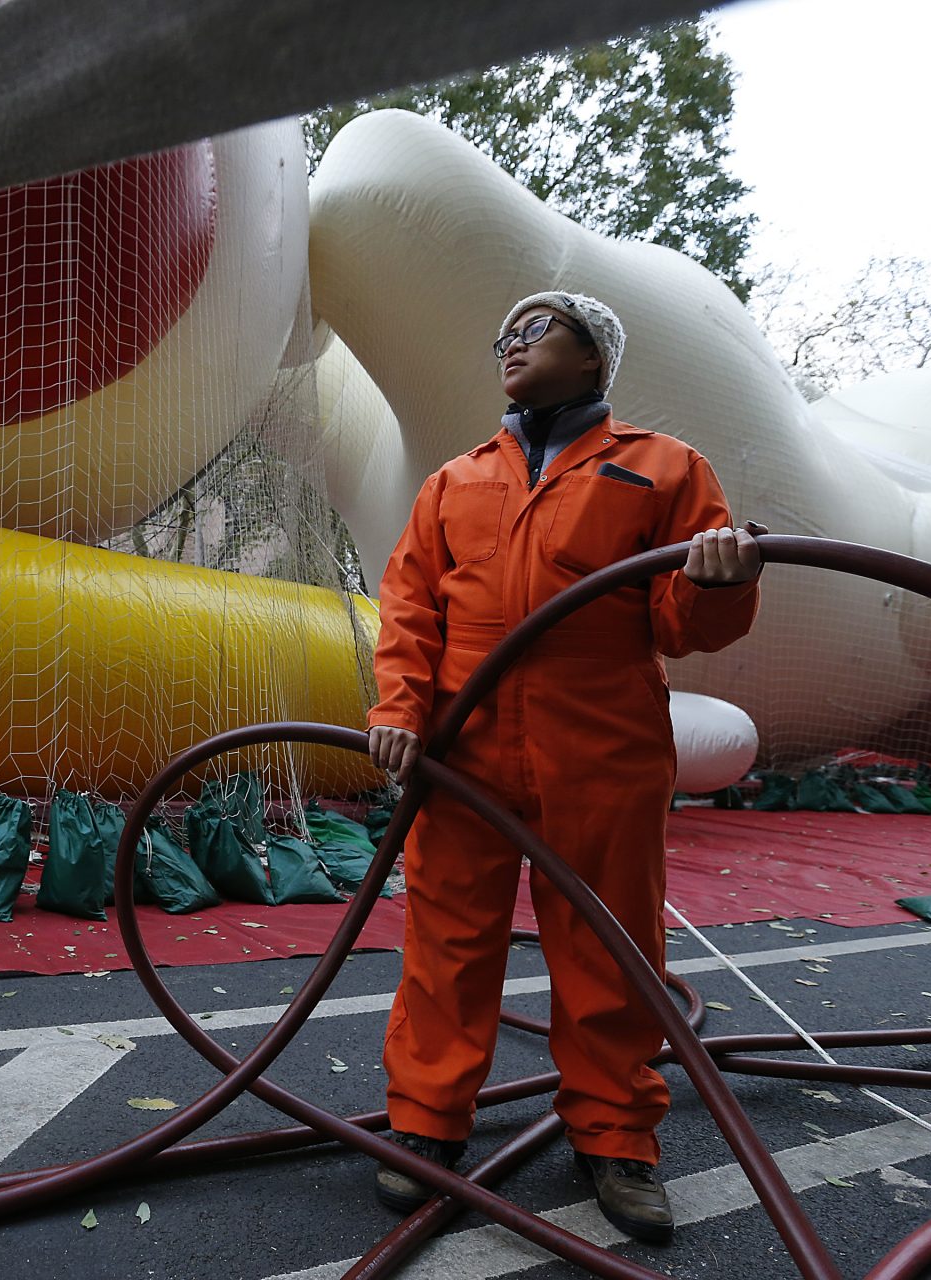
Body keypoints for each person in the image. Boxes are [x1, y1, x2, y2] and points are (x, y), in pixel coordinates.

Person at [364, 292, 760, 1242]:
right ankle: (426, 1127)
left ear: (595, 360)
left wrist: (721, 582)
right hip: (465, 747)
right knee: (449, 940)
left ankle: (618, 1139)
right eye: (504, 331)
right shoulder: (456, 479)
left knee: (609, 944)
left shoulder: (663, 468)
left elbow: (682, 624)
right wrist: (399, 711)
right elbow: (412, 608)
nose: (511, 342)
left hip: (603, 743)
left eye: (537, 330)